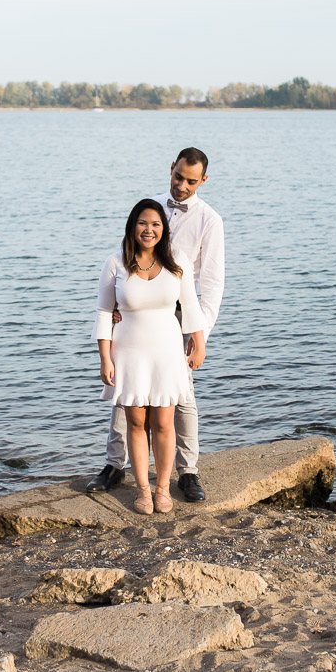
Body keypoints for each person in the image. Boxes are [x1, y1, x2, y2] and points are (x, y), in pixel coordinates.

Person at [87, 147, 225, 501]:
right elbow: (124, 262)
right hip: (136, 313)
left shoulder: (210, 220)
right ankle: (115, 465)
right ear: (171, 170)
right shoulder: (151, 209)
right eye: (178, 177)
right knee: (127, 396)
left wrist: (200, 335)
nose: (182, 185)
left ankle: (188, 471)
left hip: (178, 315)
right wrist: (123, 306)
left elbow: (210, 285)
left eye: (191, 181)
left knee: (181, 398)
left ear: (203, 181)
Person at [95, 199, 207, 514]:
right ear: (133, 227)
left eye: (156, 224)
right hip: (128, 352)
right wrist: (105, 358)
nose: (149, 230)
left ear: (163, 229)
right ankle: (143, 490)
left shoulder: (176, 261)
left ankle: (162, 488)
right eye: (143, 223)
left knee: (164, 421)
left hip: (168, 351)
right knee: (135, 420)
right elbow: (104, 313)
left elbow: (191, 305)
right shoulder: (115, 263)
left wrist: (199, 342)